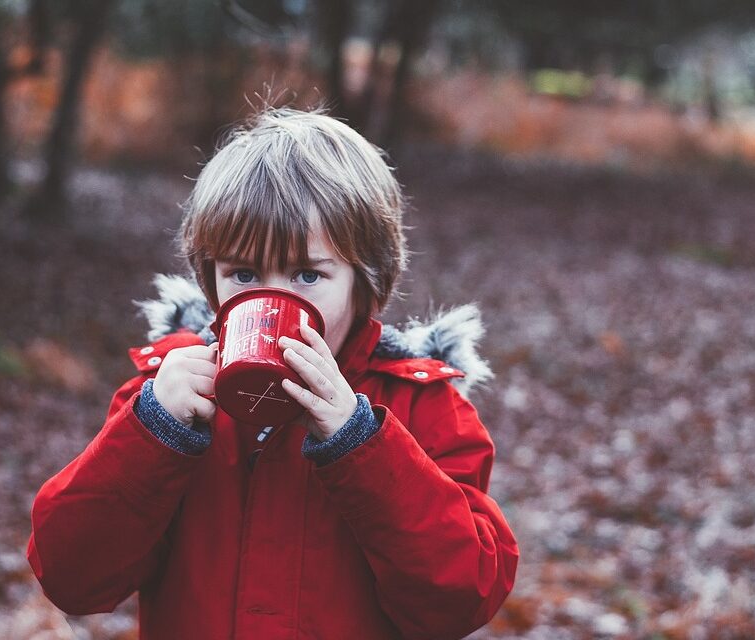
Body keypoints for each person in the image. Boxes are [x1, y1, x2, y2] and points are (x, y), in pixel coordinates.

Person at [26, 106, 519, 639]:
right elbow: (71, 577)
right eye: (243, 273)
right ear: (210, 283)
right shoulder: (168, 398)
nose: (274, 298)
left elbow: (462, 598)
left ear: (364, 282)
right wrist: (152, 432)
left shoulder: (419, 406)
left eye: (308, 274)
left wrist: (359, 443)